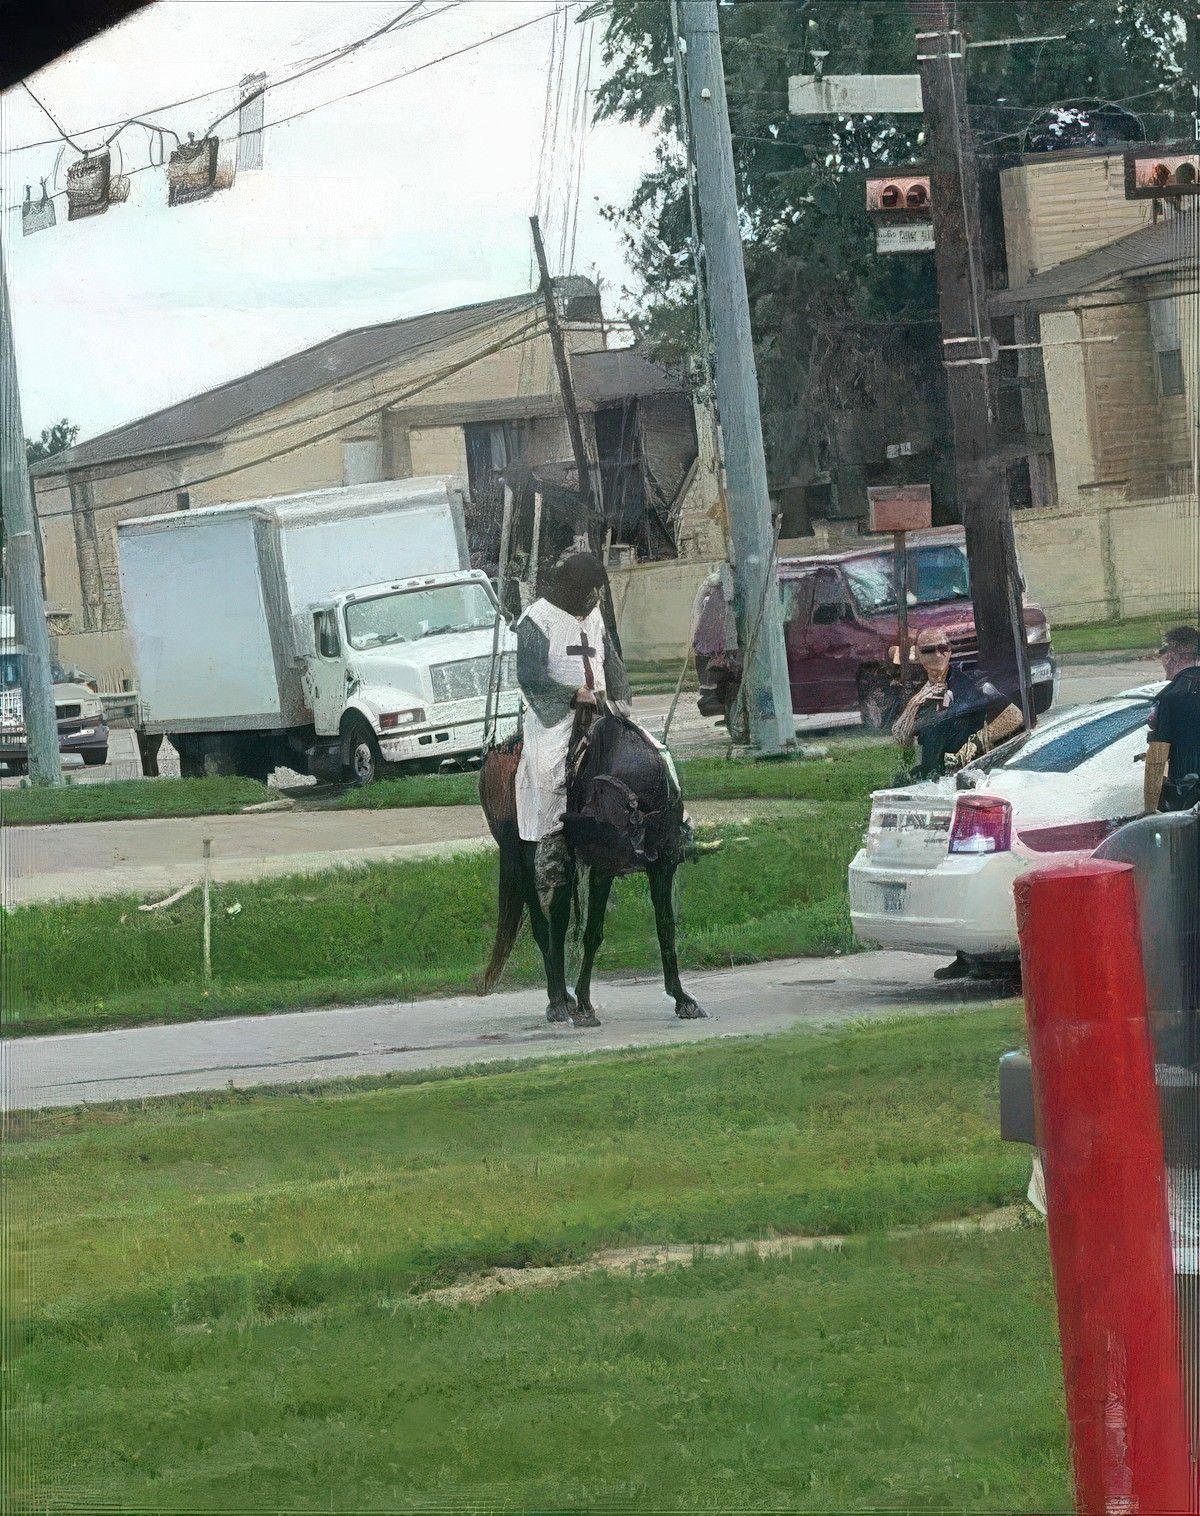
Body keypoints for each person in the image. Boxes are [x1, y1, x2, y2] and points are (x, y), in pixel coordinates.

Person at [892, 629, 1025, 981]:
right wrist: (914, 705)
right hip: (932, 783)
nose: (936, 657)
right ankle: (963, 952)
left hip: (964, 782)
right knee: (939, 867)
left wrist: (977, 741)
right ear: (918, 656)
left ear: (951, 651)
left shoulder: (968, 685)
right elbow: (902, 742)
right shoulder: (917, 692)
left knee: (965, 863)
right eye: (928, 651)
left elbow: (1014, 717)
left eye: (942, 649)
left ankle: (978, 954)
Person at [1144, 625, 1200, 814]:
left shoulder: (1168, 698)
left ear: (1171, 658)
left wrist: (1149, 809)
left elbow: (1157, 756)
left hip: (1187, 799)